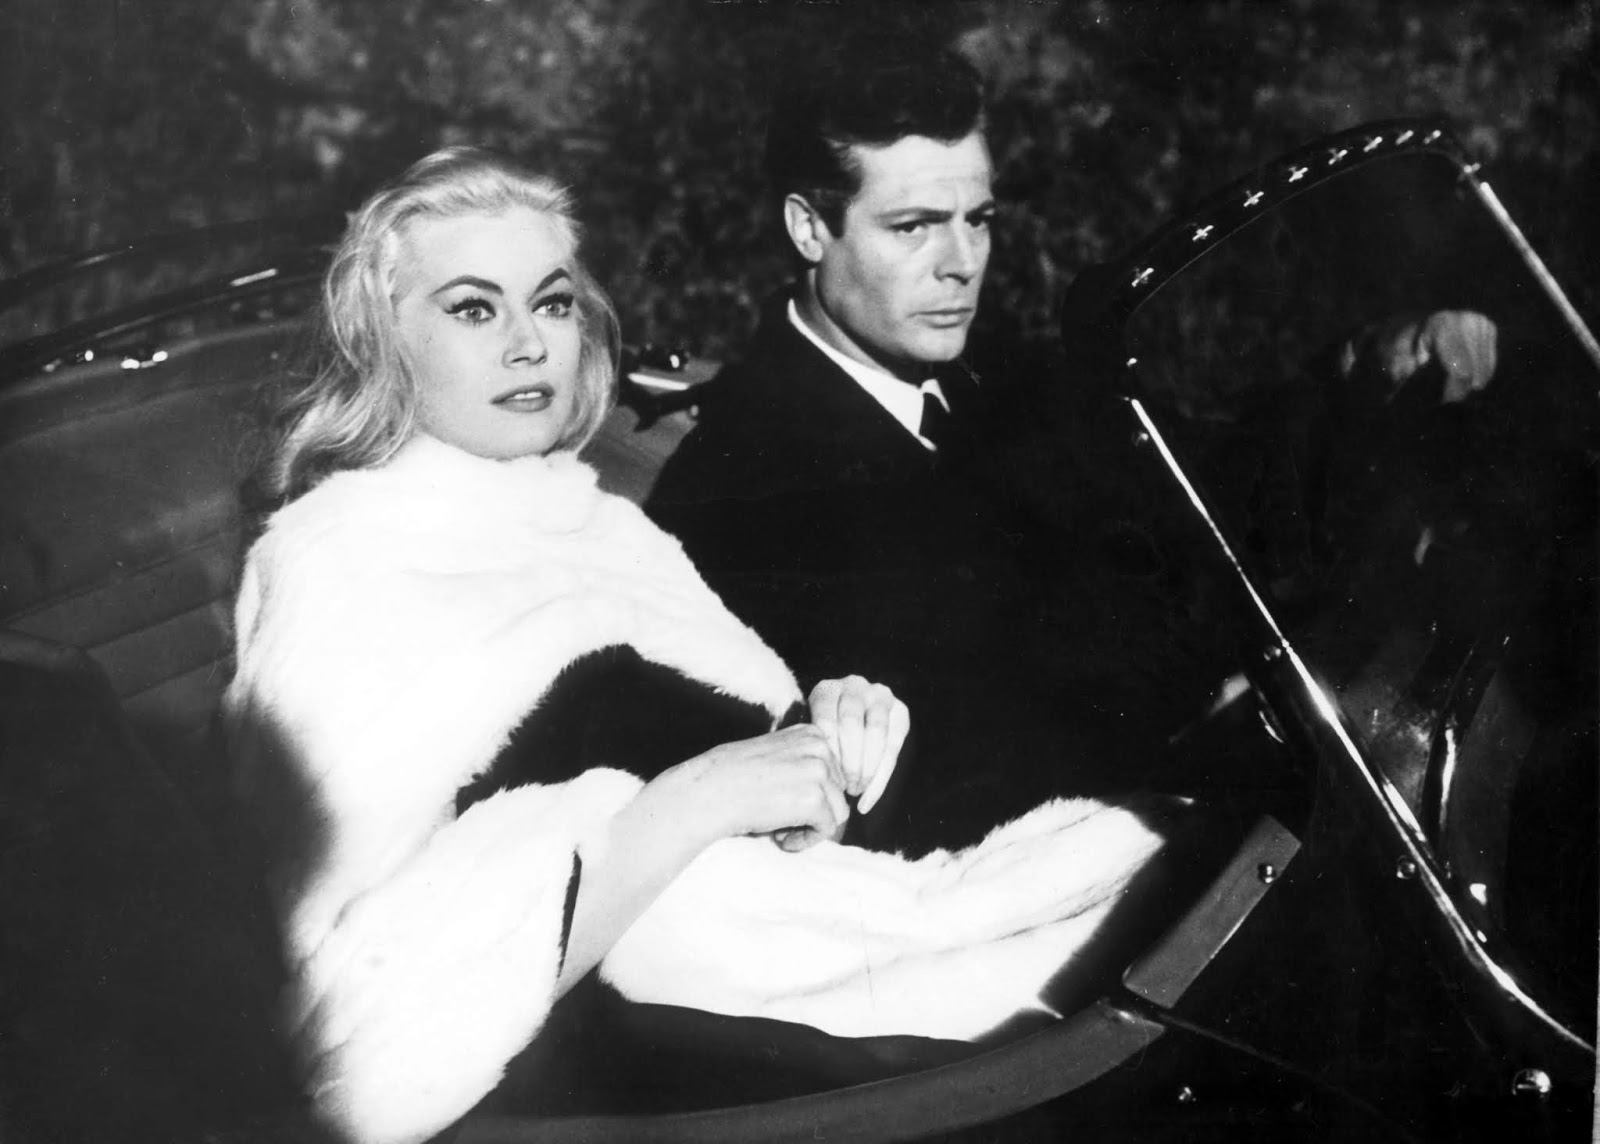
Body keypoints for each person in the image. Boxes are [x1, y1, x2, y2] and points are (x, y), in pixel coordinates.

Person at [224, 146, 1171, 1144]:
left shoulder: (599, 524)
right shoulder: (344, 563)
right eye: (472, 309)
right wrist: (690, 804)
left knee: (1201, 881)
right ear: (382, 341)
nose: (528, 344)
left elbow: (751, 800)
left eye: (551, 303)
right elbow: (354, 1033)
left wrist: (834, 745)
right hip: (657, 1072)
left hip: (795, 955)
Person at [646, 37, 1188, 854]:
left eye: (979, 221)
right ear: (808, 228)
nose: (962, 264)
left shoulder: (1024, 383)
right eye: (914, 228)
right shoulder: (730, 491)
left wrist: (1367, 371)